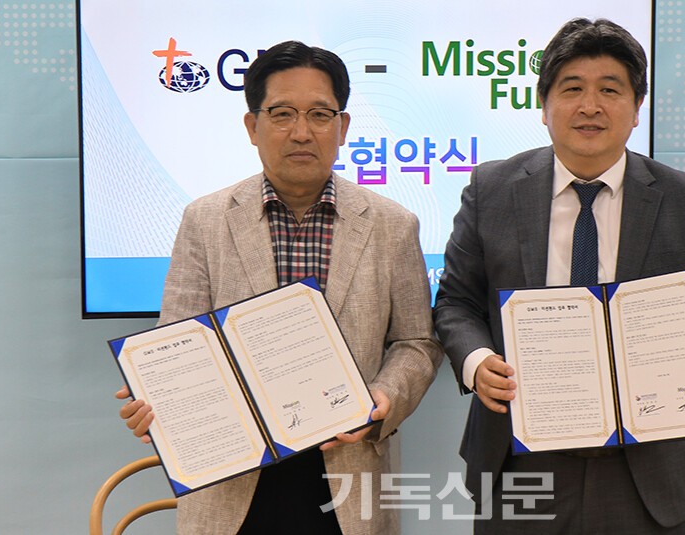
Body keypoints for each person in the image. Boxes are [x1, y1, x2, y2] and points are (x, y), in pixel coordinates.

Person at [116, 40, 442, 535]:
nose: (302, 132)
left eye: (319, 114)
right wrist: (159, 397)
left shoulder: (392, 225)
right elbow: (176, 342)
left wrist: (383, 397)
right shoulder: (205, 221)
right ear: (253, 126)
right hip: (231, 483)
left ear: (343, 127)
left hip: (347, 475)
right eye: (283, 113)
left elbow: (417, 342)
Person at [433, 18, 685, 534]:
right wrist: (478, 363)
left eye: (610, 90)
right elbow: (456, 302)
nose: (590, 106)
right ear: (543, 105)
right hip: (519, 457)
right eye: (572, 89)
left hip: (646, 467)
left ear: (637, 108)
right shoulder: (491, 189)